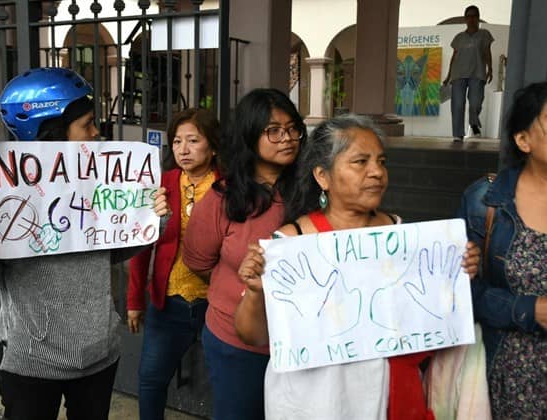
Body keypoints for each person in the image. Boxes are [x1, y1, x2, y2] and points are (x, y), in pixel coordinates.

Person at [235, 115, 481, 420]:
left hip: (387, 397)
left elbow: (423, 316)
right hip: (313, 401)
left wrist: (454, 273)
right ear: (323, 176)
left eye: (381, 161)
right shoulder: (291, 243)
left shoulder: (399, 233)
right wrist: (257, 291)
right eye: (360, 162)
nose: (377, 172)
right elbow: (252, 334)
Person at [0, 67, 169, 420]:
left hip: (99, 354)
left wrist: (149, 218)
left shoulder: (97, 183)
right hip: (30, 362)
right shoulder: (2, 192)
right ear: (52, 131)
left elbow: (114, 251)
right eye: (87, 124)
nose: (96, 132)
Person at [182, 88, 307, 420]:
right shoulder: (223, 199)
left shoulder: (314, 190)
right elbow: (197, 260)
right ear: (250, 136)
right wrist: (244, 287)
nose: (288, 138)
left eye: (293, 127)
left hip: (302, 342)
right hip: (238, 344)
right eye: (274, 131)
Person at [457, 82, 547, 419]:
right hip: (510, 378)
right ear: (523, 140)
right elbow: (462, 292)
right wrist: (528, 309)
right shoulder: (485, 201)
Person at [126, 108, 220, 420]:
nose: (183, 149)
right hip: (168, 301)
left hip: (217, 304)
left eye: (193, 140)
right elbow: (141, 247)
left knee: (225, 384)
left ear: (213, 145)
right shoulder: (161, 184)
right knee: (151, 379)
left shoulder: (229, 188)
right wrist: (135, 300)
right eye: (177, 141)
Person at [443, 5, 494, 142]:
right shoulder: (459, 37)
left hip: (477, 73)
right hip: (458, 74)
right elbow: (454, 57)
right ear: (465, 19)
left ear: (478, 18)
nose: (471, 19)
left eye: (474, 16)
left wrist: (490, 68)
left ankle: (473, 121)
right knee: (458, 104)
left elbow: (487, 52)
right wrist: (448, 76)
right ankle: (458, 134)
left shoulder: (485, 35)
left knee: (475, 103)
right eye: (468, 16)